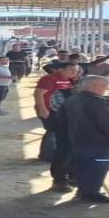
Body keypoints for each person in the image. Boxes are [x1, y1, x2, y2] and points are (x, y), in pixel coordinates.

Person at [62, 75, 109, 203]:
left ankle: (84, 190)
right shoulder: (98, 103)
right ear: (94, 86)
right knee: (98, 168)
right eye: (105, 86)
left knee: (82, 166)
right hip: (99, 142)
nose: (106, 89)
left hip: (78, 139)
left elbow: (61, 119)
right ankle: (92, 193)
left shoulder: (72, 99)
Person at [35, 61, 81, 191]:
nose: (74, 73)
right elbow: (39, 93)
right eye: (71, 70)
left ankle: (71, 175)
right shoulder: (49, 79)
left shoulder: (70, 81)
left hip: (66, 116)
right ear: (60, 69)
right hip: (53, 114)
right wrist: (42, 109)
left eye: (76, 71)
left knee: (69, 146)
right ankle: (59, 179)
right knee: (63, 146)